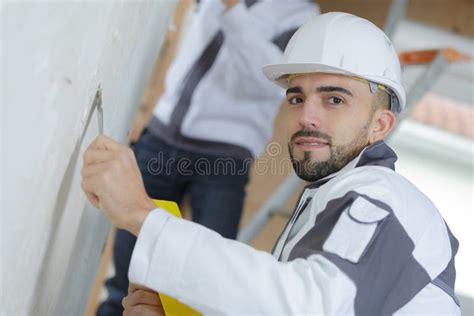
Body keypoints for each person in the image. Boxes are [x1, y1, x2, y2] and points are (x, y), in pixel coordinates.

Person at [82, 12, 460, 315]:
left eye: (334, 100)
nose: (306, 116)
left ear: (380, 125)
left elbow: (308, 308)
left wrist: (140, 214)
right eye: (297, 98)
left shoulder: (380, 201)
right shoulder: (327, 200)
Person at [97, 0, 320, 314]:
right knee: (125, 274)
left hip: (222, 159)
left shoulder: (302, 17)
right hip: (161, 137)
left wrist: (233, 10)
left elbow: (268, 83)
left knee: (207, 282)